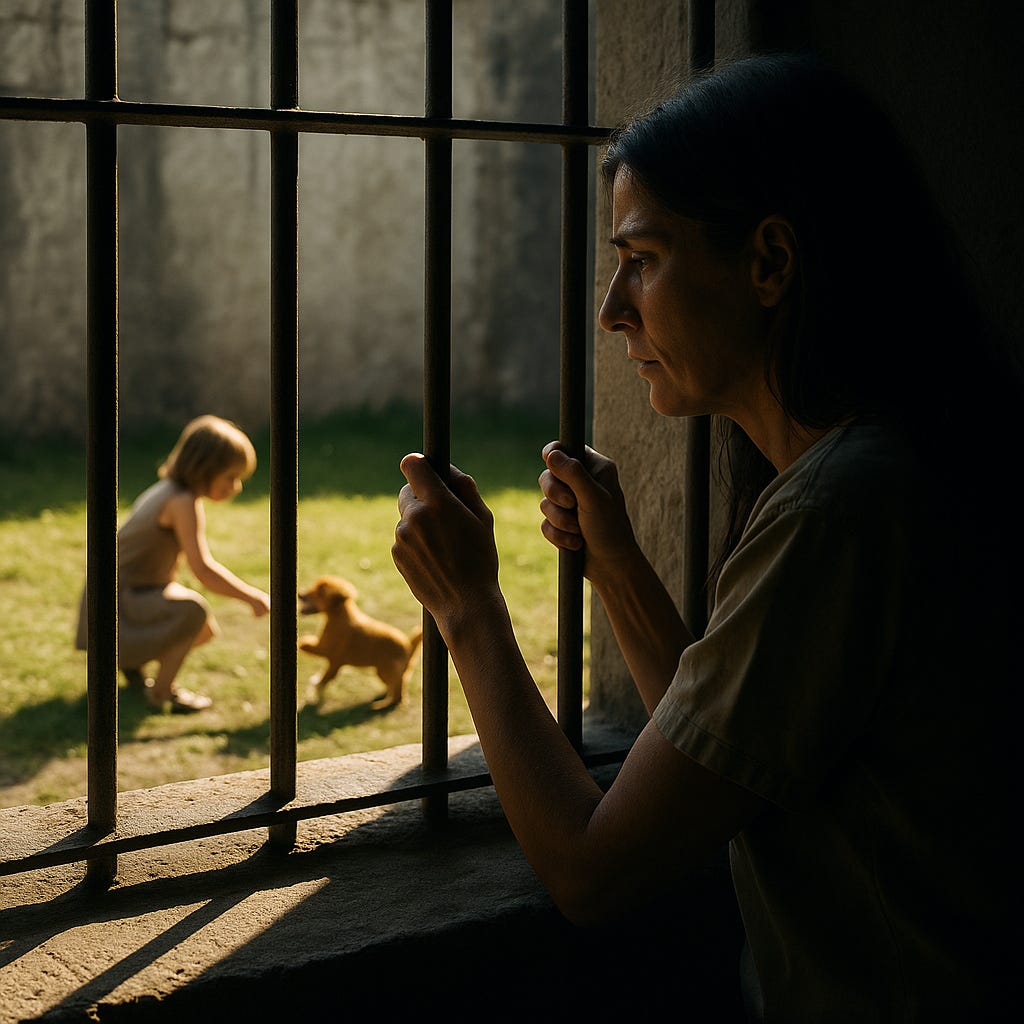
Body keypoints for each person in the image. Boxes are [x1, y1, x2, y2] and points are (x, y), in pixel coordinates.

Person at [391, 54, 1019, 1022]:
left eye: (640, 259)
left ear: (769, 262)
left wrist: (466, 606)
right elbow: (724, 752)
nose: (610, 309)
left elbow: (592, 869)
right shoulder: (876, 471)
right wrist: (616, 567)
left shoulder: (840, 510)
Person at [76, 414, 271, 712]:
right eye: (230, 477)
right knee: (193, 612)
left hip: (125, 592)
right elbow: (203, 569)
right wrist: (252, 597)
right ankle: (162, 693)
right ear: (205, 468)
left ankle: (134, 663)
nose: (236, 487)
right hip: (118, 601)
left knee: (202, 629)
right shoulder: (181, 503)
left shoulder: (167, 488)